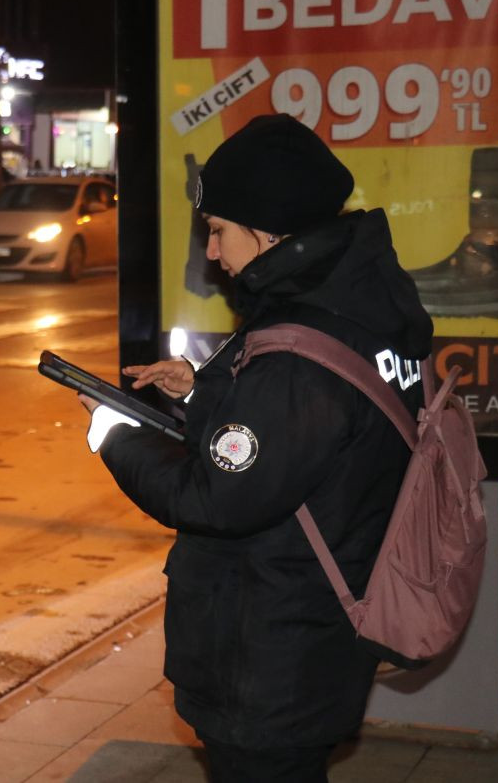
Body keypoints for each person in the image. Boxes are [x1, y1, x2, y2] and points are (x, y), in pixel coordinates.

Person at [79, 114, 432, 783]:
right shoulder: (359, 304)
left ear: (270, 230)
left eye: (218, 230)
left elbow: (216, 495)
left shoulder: (300, 350)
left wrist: (110, 430)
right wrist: (203, 391)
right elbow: (307, 435)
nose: (212, 253)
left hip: (269, 656)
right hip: (315, 635)